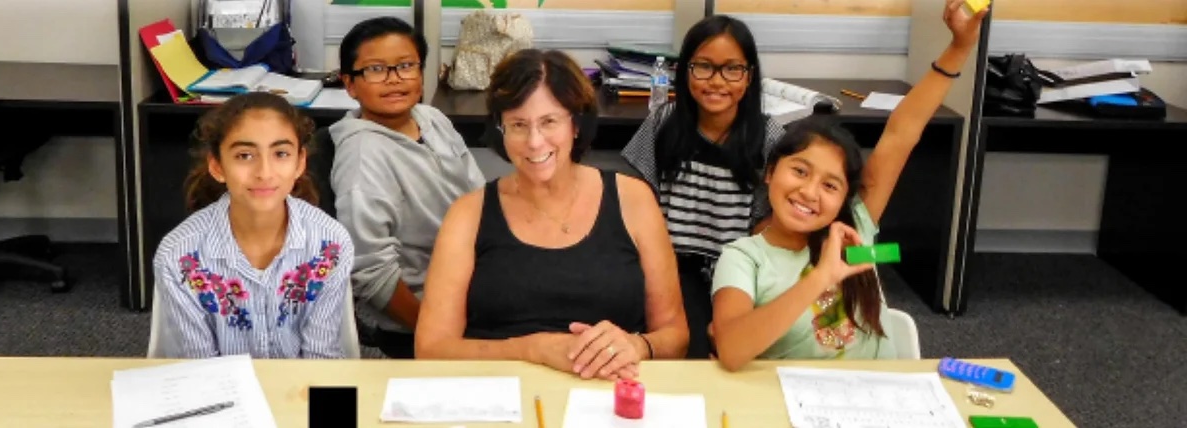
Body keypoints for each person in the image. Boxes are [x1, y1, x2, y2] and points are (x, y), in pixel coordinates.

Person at [710, 0, 987, 370]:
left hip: (877, 393)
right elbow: (731, 350)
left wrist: (959, 48)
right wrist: (822, 276)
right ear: (770, 172)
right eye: (800, 171)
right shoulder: (743, 257)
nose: (809, 192)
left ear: (845, 197)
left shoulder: (853, 229)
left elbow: (902, 133)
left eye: (830, 185)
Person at [415, 49, 689, 380]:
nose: (534, 141)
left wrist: (638, 345)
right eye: (518, 124)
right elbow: (430, 348)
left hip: (609, 394)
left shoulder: (634, 199)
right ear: (501, 130)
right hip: (499, 398)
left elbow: (675, 336)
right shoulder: (467, 214)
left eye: (549, 122)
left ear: (576, 124)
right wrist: (533, 349)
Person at [620, 15, 785, 358]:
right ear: (685, 71)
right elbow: (638, 197)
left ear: (749, 76)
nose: (717, 81)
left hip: (734, 271)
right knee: (676, 349)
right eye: (703, 67)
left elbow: (772, 217)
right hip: (670, 265)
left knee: (730, 352)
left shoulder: (767, 137)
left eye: (732, 69)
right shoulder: (664, 121)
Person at [152, 92, 353, 359]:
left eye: (281, 153)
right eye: (245, 155)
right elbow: (199, 370)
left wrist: (309, 402)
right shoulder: (179, 255)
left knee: (344, 400)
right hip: (220, 393)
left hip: (303, 391)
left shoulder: (331, 244)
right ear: (217, 166)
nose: (265, 172)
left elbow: (322, 359)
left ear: (299, 163)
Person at [330, 16, 485, 358]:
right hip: (415, 320)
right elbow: (369, 271)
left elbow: (480, 199)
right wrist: (436, 333)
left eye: (405, 65)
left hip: (472, 291)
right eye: (375, 69)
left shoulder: (432, 118)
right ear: (350, 84)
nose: (394, 79)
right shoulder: (362, 156)